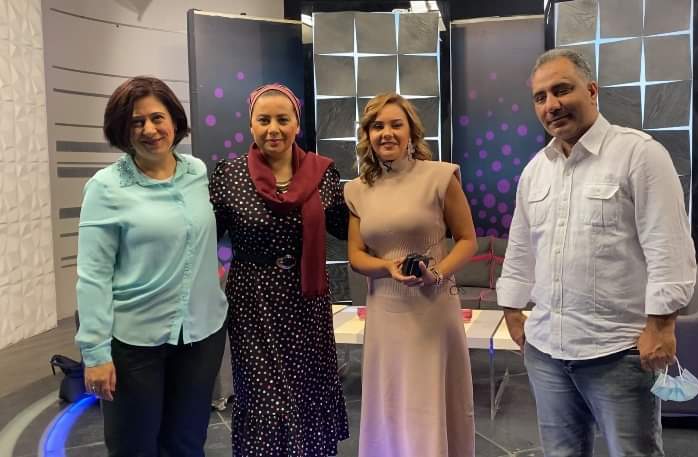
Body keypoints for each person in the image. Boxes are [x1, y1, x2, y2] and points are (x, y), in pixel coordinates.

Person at [496, 49, 697, 457]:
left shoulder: (639, 154)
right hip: (546, 353)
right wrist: (512, 311)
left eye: (562, 90)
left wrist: (662, 326)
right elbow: (521, 247)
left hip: (618, 352)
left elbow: (668, 246)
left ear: (591, 91)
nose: (551, 105)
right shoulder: (535, 170)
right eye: (540, 97)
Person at [75, 76, 228, 457]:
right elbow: (93, 276)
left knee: (186, 443)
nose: (149, 129)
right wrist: (95, 353)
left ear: (174, 120)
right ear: (122, 130)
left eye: (157, 118)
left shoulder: (196, 172)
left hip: (200, 335)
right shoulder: (106, 187)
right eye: (136, 122)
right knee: (134, 447)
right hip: (135, 343)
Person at [209, 83, 349, 456]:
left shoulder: (323, 174)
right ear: (251, 125)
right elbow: (204, 234)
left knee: (307, 391)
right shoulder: (229, 175)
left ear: (296, 125)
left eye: (283, 120)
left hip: (306, 303)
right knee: (263, 398)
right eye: (264, 120)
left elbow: (349, 227)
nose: (274, 128)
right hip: (253, 303)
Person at [344, 93, 478, 457]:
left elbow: (467, 240)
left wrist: (437, 273)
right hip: (385, 314)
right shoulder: (356, 190)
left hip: (433, 308)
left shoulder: (440, 176)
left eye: (395, 125)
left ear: (411, 132)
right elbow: (356, 256)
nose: (386, 133)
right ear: (367, 134)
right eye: (377, 126)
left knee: (428, 402)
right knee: (390, 403)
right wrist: (386, 267)